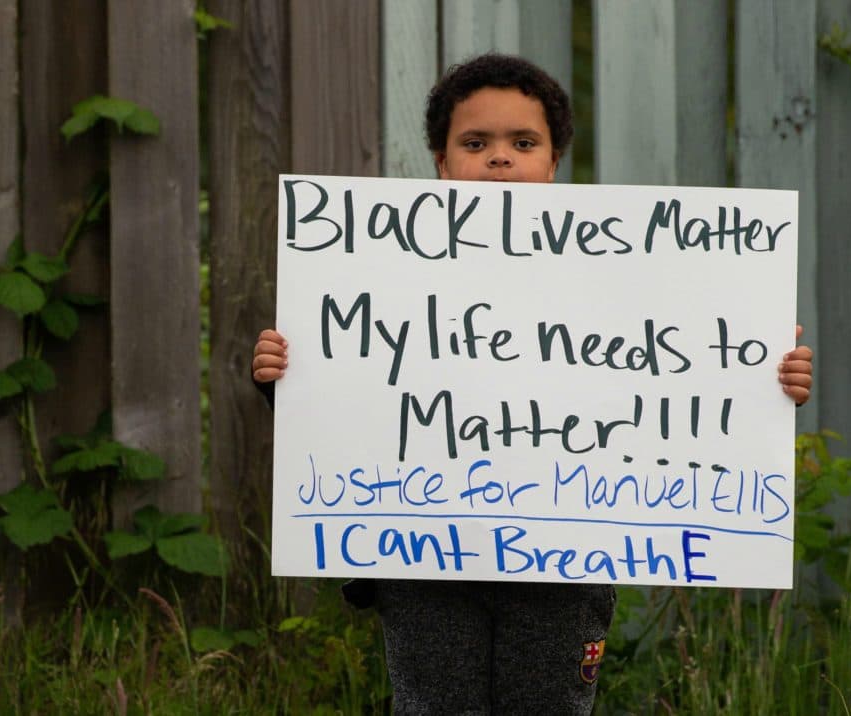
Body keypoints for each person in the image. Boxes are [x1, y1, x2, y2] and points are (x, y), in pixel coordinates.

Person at [252, 53, 814, 714]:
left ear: (552, 163)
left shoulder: (623, 279)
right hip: (426, 565)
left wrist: (771, 382)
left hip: (563, 571)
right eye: (475, 143)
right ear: (440, 162)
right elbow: (348, 400)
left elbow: (691, 377)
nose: (499, 159)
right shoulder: (378, 272)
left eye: (523, 143)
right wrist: (284, 379)